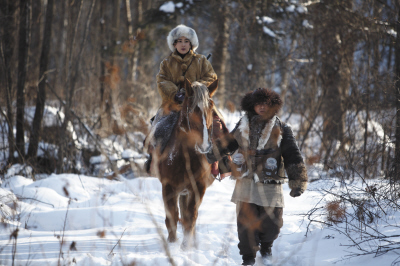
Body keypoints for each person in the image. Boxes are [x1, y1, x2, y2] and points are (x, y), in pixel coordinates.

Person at [210, 88, 308, 265]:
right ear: (252, 106)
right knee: (245, 224)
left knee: (273, 225)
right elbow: (229, 143)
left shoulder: (282, 128)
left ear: (272, 106)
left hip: (270, 183)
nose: (262, 107)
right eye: (258, 104)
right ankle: (248, 258)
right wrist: (211, 154)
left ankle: (266, 246)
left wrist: (298, 181)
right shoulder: (243, 125)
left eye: (266, 104)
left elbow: (293, 155)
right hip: (246, 181)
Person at [144, 24, 222, 174]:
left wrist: (196, 89)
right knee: (158, 129)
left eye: (186, 41)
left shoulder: (201, 61)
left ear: (192, 43)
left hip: (199, 103)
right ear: (174, 44)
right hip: (173, 104)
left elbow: (211, 77)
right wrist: (175, 93)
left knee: (219, 127)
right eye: (179, 41)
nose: (183, 44)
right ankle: (154, 161)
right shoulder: (166, 63)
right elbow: (162, 81)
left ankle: (221, 163)